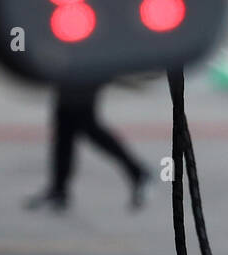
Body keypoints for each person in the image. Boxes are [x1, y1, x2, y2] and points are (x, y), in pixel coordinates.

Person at [26, 83, 150, 212]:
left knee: (85, 121)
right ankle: (59, 189)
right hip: (71, 70)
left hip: (85, 70)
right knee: (65, 120)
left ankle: (138, 172)